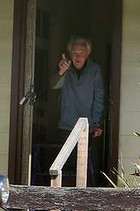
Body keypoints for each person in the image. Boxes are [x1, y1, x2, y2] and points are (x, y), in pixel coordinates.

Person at [52, 36, 105, 185]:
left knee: (84, 168)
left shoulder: (95, 70)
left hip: (87, 128)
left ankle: (84, 204)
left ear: (87, 54)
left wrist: (96, 123)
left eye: (81, 53)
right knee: (65, 167)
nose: (77, 56)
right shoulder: (66, 68)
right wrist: (61, 72)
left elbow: (99, 97)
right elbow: (53, 85)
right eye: (74, 53)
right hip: (66, 125)